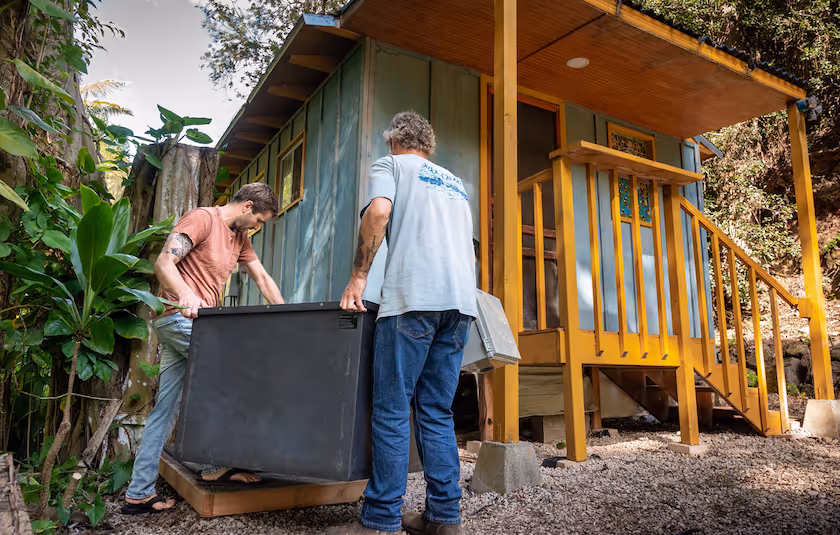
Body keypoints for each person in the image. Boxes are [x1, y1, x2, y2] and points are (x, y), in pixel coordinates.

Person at [330, 111, 476, 535]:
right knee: (436, 411)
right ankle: (444, 519)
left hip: (413, 300)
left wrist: (358, 277)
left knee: (393, 410)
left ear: (394, 140)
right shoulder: (454, 182)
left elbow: (378, 213)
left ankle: (379, 521)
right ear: (428, 146)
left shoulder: (390, 164)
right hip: (460, 305)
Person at [122, 183, 285, 514]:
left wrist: (287, 315)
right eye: (259, 220)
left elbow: (263, 279)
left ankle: (138, 491)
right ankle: (218, 463)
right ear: (247, 206)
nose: (258, 227)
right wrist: (185, 293)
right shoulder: (202, 219)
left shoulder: (240, 239)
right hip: (181, 320)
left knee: (166, 409)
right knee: (235, 379)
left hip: (197, 325)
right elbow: (164, 264)